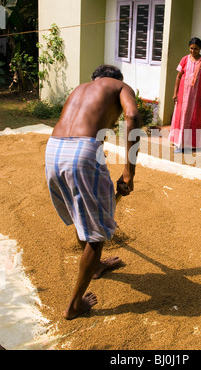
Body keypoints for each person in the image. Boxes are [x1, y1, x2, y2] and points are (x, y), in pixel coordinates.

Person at [45, 64, 141, 320]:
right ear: (115, 79)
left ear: (95, 79)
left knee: (82, 209)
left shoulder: (80, 88)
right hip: (83, 150)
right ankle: (74, 305)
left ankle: (96, 266)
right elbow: (133, 117)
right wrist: (129, 171)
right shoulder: (120, 86)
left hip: (53, 149)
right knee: (97, 237)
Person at [169, 37, 201, 152]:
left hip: (197, 96)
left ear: (200, 49)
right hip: (183, 95)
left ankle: (192, 144)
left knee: (194, 118)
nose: (193, 51)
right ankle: (179, 144)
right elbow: (178, 76)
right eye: (191, 48)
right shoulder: (184, 59)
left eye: (196, 49)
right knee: (181, 118)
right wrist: (175, 93)